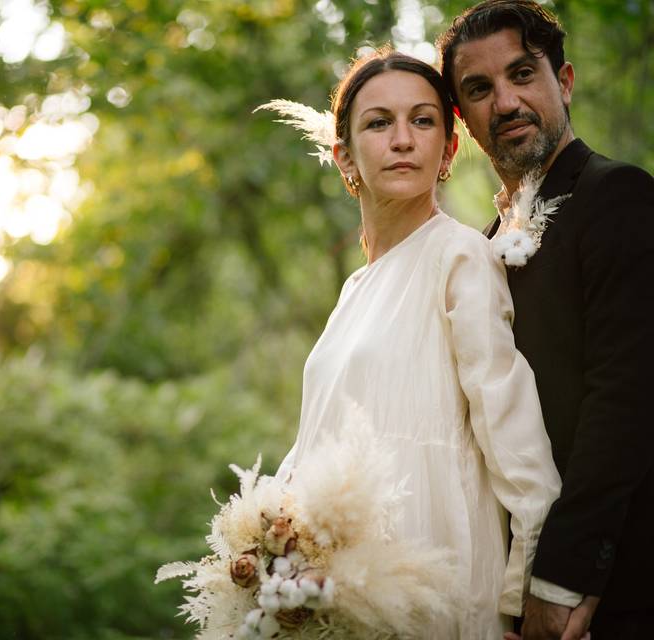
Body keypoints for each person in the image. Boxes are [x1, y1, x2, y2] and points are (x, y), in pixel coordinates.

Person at [264, 48, 561, 638]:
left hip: (436, 571)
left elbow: (517, 443)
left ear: (448, 149)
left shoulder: (461, 256)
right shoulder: (354, 289)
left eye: (422, 121)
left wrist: (530, 599)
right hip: (338, 589)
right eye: (379, 123)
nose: (403, 139)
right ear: (343, 155)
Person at [437, 2, 654, 638]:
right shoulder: (482, 244)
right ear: (465, 120)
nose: (504, 102)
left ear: (563, 82)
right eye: (479, 89)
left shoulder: (619, 195)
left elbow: (629, 396)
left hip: (613, 585)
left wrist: (559, 580)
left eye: (522, 75)